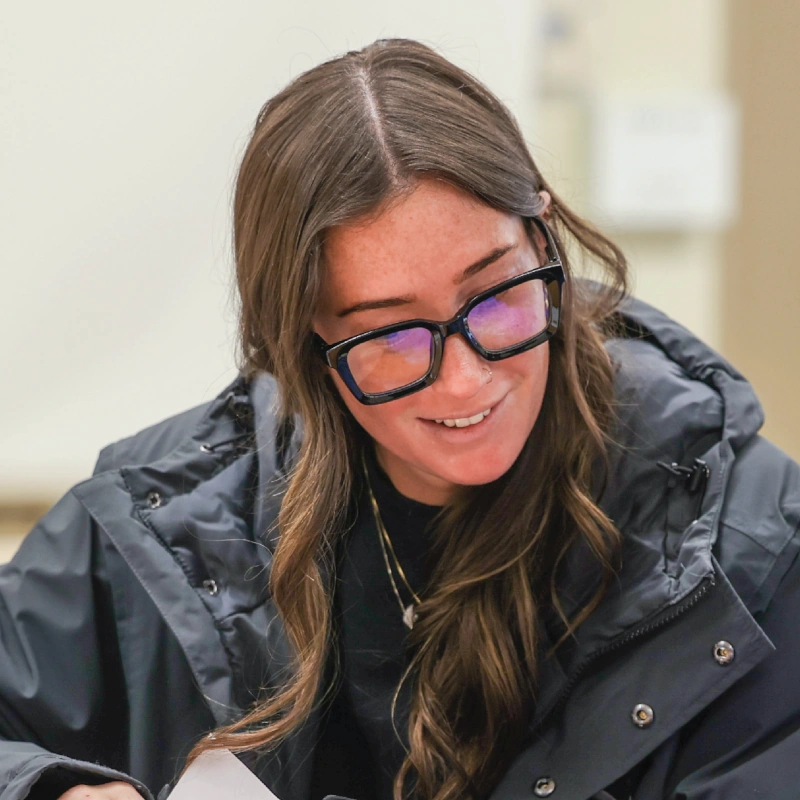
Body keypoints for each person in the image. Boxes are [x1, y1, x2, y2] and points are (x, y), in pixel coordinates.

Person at [2, 38, 799, 800]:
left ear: (542, 233)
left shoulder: (745, 549)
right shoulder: (165, 522)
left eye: (494, 296)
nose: (464, 380)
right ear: (308, 335)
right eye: (391, 333)